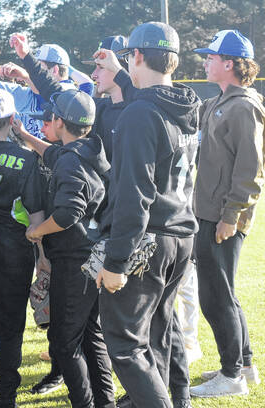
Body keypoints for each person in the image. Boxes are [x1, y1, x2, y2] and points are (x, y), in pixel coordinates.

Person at [93, 22, 200, 408]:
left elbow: (133, 195)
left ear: (137, 55)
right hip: (181, 234)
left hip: (149, 239)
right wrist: (122, 73)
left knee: (124, 342)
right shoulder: (187, 103)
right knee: (158, 329)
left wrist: (117, 260)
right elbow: (153, 98)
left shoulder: (139, 113)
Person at [189, 29, 265, 398]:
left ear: (229, 63)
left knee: (216, 297)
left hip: (221, 217)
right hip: (211, 212)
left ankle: (231, 377)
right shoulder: (223, 100)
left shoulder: (244, 106)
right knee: (224, 292)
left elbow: (250, 170)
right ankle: (244, 365)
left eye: (210, 57)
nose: (205, 62)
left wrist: (230, 215)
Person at [16, 89, 115, 408]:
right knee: (90, 334)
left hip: (76, 260)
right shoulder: (86, 148)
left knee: (63, 342)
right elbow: (54, 154)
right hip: (93, 254)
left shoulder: (71, 161)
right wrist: (25, 136)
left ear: (59, 121)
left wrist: (37, 231)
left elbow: (69, 213)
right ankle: (105, 402)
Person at [0, 88, 45, 408]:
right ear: (13, 119)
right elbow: (36, 214)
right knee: (11, 328)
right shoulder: (27, 158)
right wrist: (44, 257)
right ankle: (5, 398)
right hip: (14, 252)